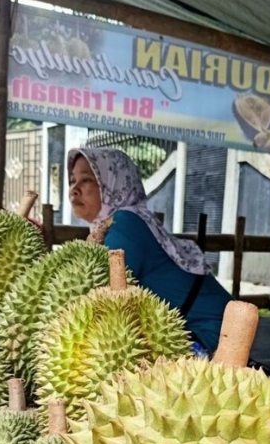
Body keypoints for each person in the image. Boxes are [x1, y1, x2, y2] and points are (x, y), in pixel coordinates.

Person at [67, 147, 233, 354]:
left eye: (87, 180)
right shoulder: (127, 220)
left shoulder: (124, 223)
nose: (74, 189)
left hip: (211, 332)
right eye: (72, 180)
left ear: (113, 183)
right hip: (202, 326)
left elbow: (94, 296)